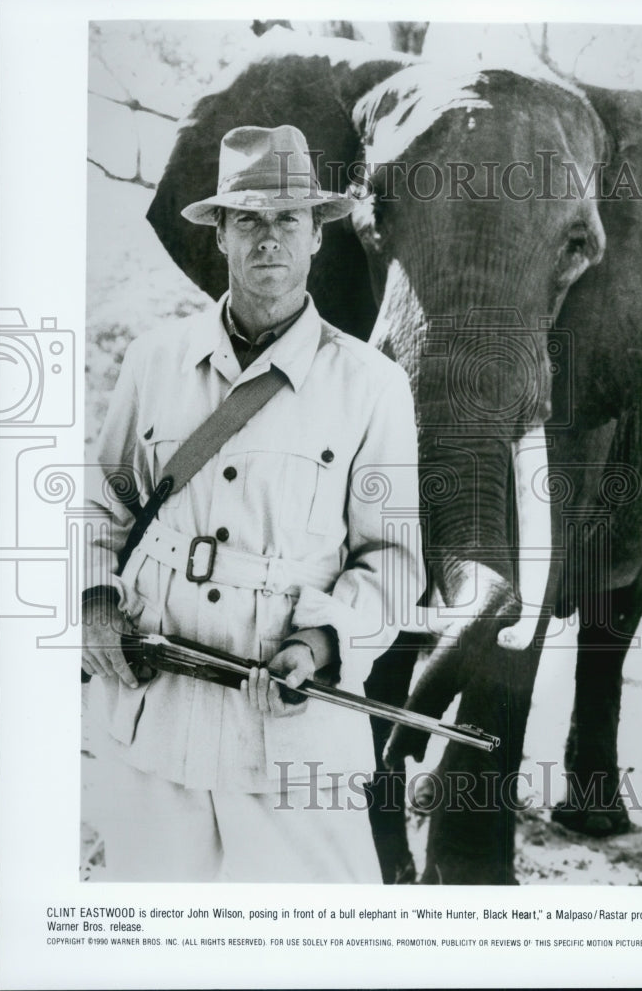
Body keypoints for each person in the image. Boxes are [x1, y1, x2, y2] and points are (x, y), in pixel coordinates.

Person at [82, 125, 424, 882]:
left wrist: (324, 646)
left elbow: (393, 565)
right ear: (221, 237)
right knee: (155, 943)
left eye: (287, 220)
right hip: (154, 714)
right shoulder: (154, 360)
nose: (269, 238)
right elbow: (101, 508)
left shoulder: (371, 385)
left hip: (291, 730)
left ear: (316, 240)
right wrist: (97, 605)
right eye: (249, 220)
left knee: (311, 946)